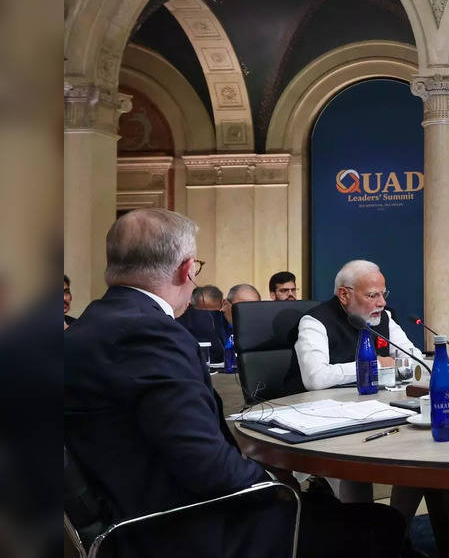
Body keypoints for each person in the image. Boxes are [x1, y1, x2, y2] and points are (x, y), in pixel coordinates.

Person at [63, 208, 405, 558]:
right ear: (186, 269)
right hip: (185, 528)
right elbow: (204, 463)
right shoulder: (150, 333)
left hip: (134, 513)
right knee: (382, 524)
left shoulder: (87, 326)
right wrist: (271, 482)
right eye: (196, 269)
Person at [293, 259, 426, 392]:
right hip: (320, 406)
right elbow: (315, 378)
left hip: (370, 400)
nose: (382, 303)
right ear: (344, 295)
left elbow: (414, 357)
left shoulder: (383, 316)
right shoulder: (315, 321)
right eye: (372, 295)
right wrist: (375, 365)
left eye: (383, 294)